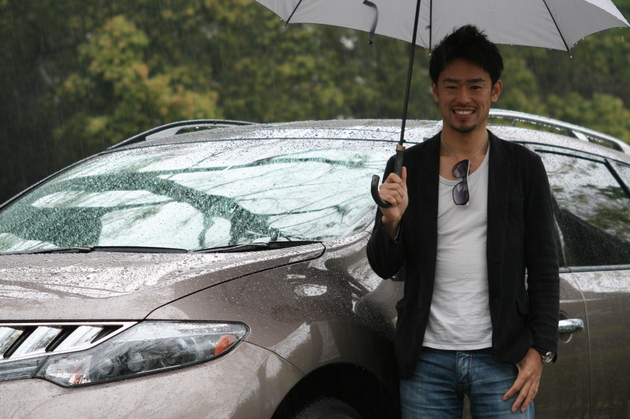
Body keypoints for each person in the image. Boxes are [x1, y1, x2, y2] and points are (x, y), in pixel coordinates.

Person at [367, 25, 559, 418]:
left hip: (503, 360)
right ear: (435, 91)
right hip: (425, 360)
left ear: (495, 90)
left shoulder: (524, 168)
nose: (464, 98)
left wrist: (540, 350)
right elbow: (383, 265)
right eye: (451, 86)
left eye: (476, 86)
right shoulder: (406, 168)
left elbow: (544, 266)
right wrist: (392, 222)